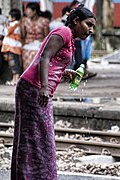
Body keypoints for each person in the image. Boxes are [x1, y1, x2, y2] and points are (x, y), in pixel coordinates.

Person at [11, 5, 96, 179]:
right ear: (76, 21)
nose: (91, 30)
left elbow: (52, 62)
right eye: (89, 24)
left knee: (38, 135)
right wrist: (44, 87)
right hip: (33, 88)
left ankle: (33, 175)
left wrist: (65, 72)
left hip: (38, 88)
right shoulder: (63, 31)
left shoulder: (70, 39)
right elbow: (44, 57)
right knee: (38, 136)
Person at [20, 2, 50, 71]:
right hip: (28, 44)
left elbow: (47, 36)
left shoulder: (44, 21)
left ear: (34, 11)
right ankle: (28, 76)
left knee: (35, 54)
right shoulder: (25, 21)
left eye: (28, 11)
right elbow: (23, 36)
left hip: (40, 44)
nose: (27, 13)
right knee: (26, 52)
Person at [1, 8, 22, 86]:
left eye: (9, 17)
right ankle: (14, 79)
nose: (8, 18)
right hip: (13, 47)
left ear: (13, 18)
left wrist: (5, 26)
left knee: (14, 63)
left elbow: (7, 32)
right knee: (13, 63)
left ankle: (16, 80)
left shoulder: (14, 24)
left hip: (13, 47)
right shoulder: (16, 23)